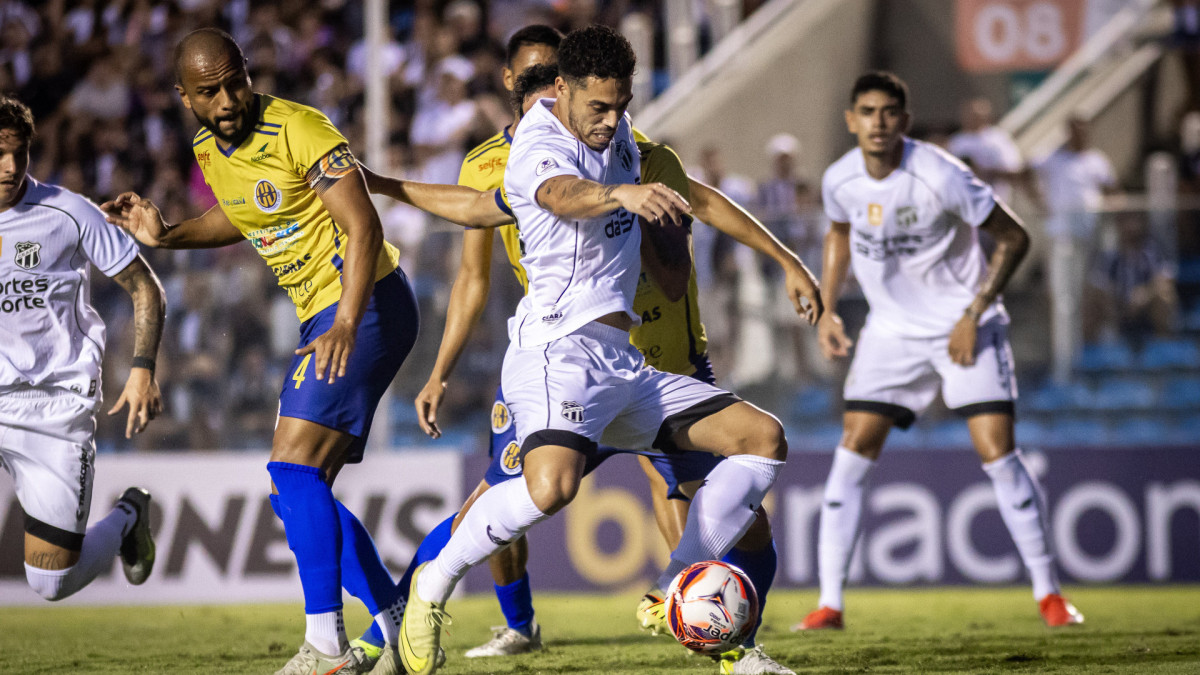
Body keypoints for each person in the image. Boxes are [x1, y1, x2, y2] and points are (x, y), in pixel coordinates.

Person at [394, 25, 821, 675]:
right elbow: (558, 195)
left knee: (764, 438)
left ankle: (678, 587)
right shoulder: (537, 143)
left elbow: (486, 208)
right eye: (599, 106)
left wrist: (770, 257)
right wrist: (621, 194)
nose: (612, 120)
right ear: (560, 90)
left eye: (622, 106)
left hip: (625, 362)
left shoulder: (617, 132)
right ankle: (434, 583)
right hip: (555, 353)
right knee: (550, 489)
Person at [99, 29, 420, 675]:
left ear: (248, 73)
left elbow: (364, 224)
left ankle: (326, 645)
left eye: (235, 82)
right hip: (325, 316)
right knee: (295, 489)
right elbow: (243, 215)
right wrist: (168, 235)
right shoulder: (207, 148)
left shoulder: (300, 128)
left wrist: (346, 322)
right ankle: (397, 623)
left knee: (292, 471)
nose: (226, 100)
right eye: (209, 91)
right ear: (184, 96)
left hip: (364, 305)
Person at [793, 72, 1082, 632]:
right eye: (867, 112)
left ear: (904, 120)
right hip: (891, 333)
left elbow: (1015, 236)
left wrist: (973, 314)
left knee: (998, 453)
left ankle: (1050, 596)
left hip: (962, 327)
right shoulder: (839, 179)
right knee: (851, 453)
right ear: (851, 120)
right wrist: (827, 308)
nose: (878, 122)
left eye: (888, 112)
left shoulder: (941, 174)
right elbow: (838, 232)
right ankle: (830, 605)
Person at [0, 95, 161, 603]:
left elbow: (145, 288)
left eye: (19, 153)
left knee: (51, 582)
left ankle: (128, 516)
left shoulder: (68, 213)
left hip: (53, 406)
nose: (10, 166)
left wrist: (141, 369)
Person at [1033, 116, 1120, 382]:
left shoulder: (1097, 160)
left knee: (1098, 293)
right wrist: (1040, 202)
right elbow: (1022, 172)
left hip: (1093, 238)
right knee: (1065, 302)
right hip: (1064, 240)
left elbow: (1113, 191)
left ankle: (1103, 355)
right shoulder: (1052, 159)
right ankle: (1065, 365)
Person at [947, 97, 1024, 203]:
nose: (972, 119)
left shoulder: (998, 139)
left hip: (995, 200)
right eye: (969, 115)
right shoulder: (956, 141)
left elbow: (1014, 170)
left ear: (986, 117)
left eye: (976, 116)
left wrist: (981, 171)